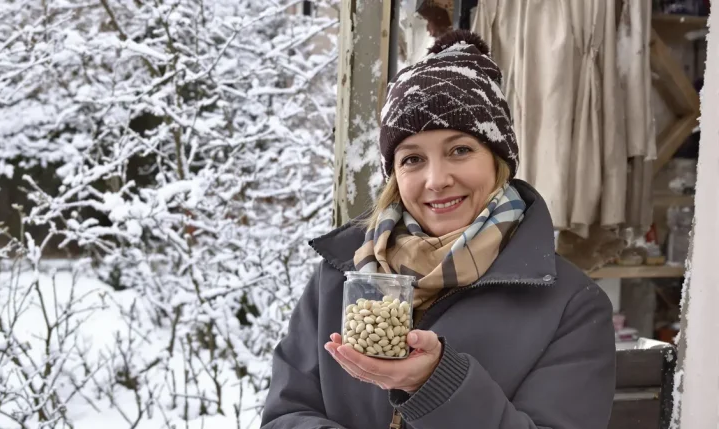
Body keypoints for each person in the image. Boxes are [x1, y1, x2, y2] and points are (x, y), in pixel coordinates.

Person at [260, 29, 615, 429]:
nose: (436, 180)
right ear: (394, 175)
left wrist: (436, 385)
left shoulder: (571, 306)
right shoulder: (340, 276)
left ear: (498, 160)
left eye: (460, 150)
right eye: (412, 159)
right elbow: (285, 415)